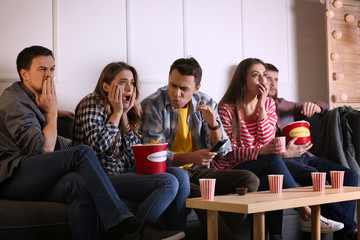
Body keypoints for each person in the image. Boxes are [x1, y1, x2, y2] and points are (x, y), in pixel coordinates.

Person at [0, 45, 185, 240]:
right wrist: (52, 113)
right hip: (12, 177)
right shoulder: (15, 101)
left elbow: (133, 157)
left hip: (33, 174)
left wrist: (51, 113)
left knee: (77, 183)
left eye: (52, 69)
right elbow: (43, 149)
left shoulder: (35, 100)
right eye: (42, 69)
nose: (49, 75)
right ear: (24, 74)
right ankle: (129, 226)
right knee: (82, 152)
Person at [212, 58, 344, 240]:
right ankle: (306, 212)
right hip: (232, 167)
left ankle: (276, 236)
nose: (262, 80)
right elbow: (229, 152)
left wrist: (262, 105)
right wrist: (260, 152)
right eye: (255, 75)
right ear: (243, 80)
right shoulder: (227, 109)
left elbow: (266, 140)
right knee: (274, 160)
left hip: (257, 164)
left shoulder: (268, 104)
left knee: (270, 182)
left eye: (264, 76)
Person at [141, 57, 260, 240]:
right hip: (170, 174)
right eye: (172, 85)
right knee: (200, 193)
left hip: (198, 172)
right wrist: (191, 157)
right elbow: (155, 155)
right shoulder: (153, 105)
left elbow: (223, 149)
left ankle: (216, 234)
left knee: (250, 179)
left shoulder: (205, 101)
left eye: (184, 89)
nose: (176, 93)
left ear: (196, 88)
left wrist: (213, 125)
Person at [72, 61, 190, 231]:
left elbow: (134, 155)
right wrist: (117, 113)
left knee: (180, 175)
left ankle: (176, 232)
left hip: (125, 173)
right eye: (122, 82)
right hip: (101, 177)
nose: (129, 87)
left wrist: (125, 115)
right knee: (168, 182)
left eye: (132, 82)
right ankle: (134, 234)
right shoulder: (92, 102)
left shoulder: (127, 109)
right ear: (106, 86)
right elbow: (97, 147)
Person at [266, 62, 358, 240]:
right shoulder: (255, 110)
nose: (272, 83)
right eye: (268, 78)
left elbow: (323, 106)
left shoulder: (284, 105)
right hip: (284, 160)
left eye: (276, 79)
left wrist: (317, 107)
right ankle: (350, 230)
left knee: (351, 176)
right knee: (316, 176)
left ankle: (343, 234)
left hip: (306, 156)